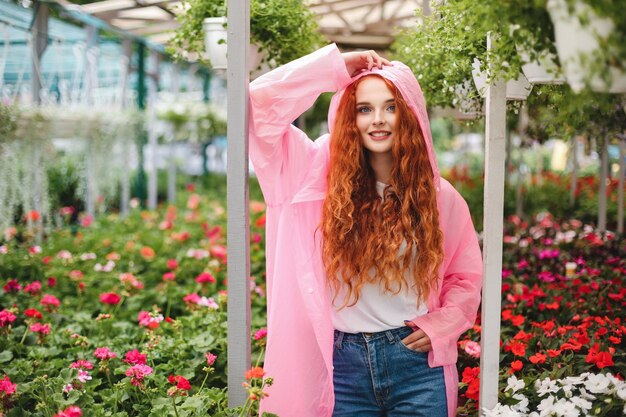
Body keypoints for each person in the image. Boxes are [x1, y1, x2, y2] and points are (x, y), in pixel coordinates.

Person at [248, 44, 483, 417]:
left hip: (417, 367)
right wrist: (334, 67)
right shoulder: (309, 177)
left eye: (391, 107)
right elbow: (255, 105)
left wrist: (443, 324)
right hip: (342, 368)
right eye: (364, 108)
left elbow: (464, 276)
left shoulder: (439, 196)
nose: (378, 119)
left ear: (409, 116)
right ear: (348, 117)